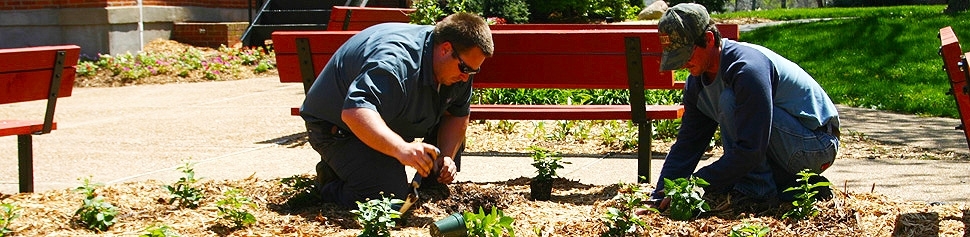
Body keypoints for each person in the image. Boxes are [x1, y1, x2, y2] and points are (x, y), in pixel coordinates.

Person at [649, 3, 840, 208]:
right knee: (725, 174)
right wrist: (662, 194)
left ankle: (758, 194)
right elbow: (688, 145)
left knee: (730, 101)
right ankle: (789, 184)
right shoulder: (697, 85)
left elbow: (751, 149)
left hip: (816, 145)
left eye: (686, 54)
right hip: (782, 146)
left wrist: (696, 182)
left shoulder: (747, 68)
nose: (682, 63)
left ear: (709, 39)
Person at [299, 12, 494, 208]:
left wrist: (445, 156)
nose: (466, 78)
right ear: (445, 49)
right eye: (466, 69)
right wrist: (401, 149)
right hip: (339, 129)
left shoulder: (457, 66)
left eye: (474, 71)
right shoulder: (395, 62)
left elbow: (457, 115)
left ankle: (393, 173)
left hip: (386, 116)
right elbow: (355, 111)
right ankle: (331, 181)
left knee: (426, 174)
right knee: (389, 200)